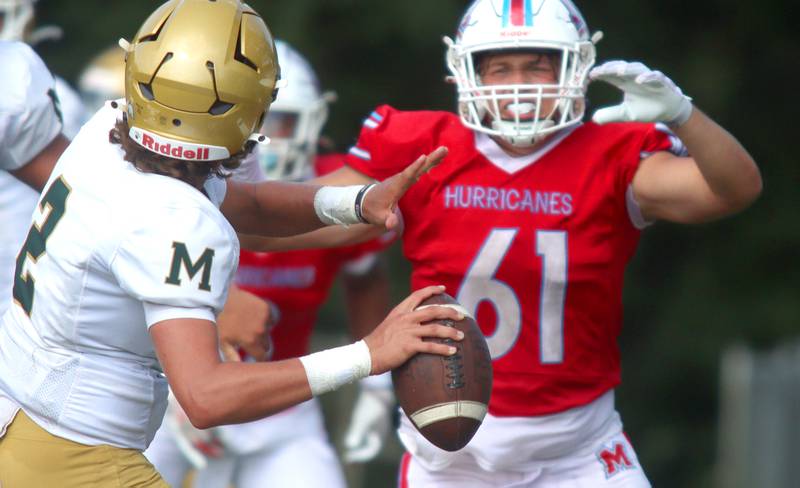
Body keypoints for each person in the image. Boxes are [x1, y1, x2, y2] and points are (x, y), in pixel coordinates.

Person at [287, 0, 763, 486]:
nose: (519, 83)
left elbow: (733, 189)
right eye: (500, 68)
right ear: (466, 74)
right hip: (449, 453)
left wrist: (685, 115)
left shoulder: (611, 151)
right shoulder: (424, 150)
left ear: (574, 68)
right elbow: (290, 221)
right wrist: (218, 192)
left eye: (538, 66)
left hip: (577, 449)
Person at [0, 2, 462, 487]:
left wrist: (355, 201)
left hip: (27, 415)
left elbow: (251, 205)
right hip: (72, 452)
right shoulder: (177, 218)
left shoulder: (108, 131)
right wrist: (368, 353)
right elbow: (206, 396)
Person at [143, 40, 395, 488]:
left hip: (283, 404)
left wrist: (378, 388)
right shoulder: (180, 181)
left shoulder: (334, 189)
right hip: (165, 393)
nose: (269, 138)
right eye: (259, 121)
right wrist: (173, 385)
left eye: (283, 120)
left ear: (314, 120)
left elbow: (365, 277)